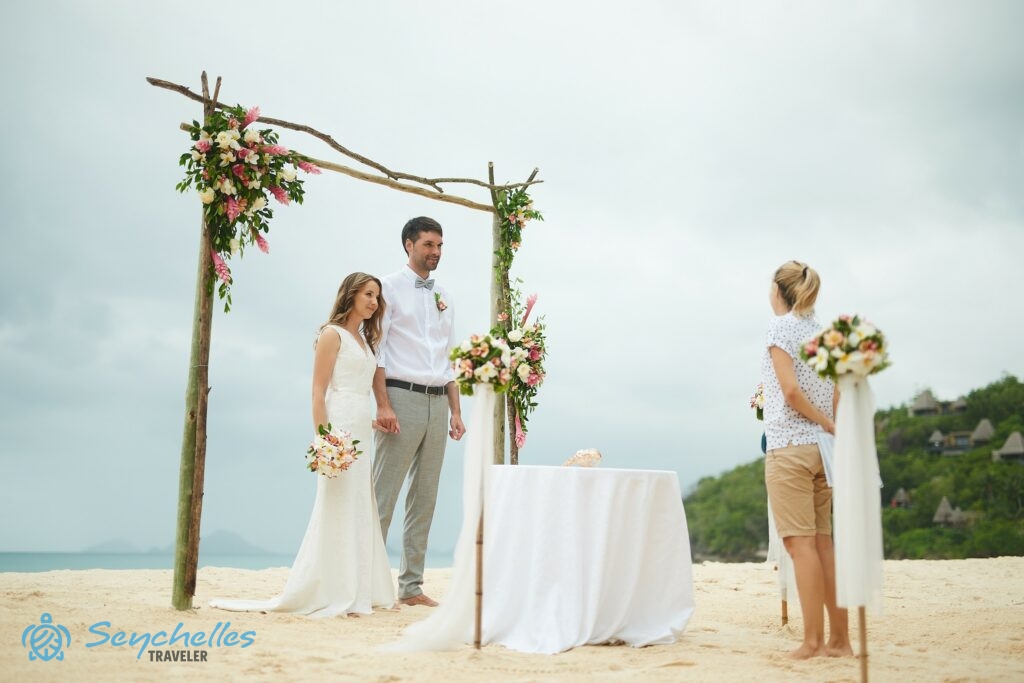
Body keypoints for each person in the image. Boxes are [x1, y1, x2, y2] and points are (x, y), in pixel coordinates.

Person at [209, 273, 396, 618]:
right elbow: (318, 391)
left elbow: (359, 388)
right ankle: (335, 589)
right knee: (336, 504)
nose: (373, 301)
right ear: (351, 295)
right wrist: (325, 441)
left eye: (377, 296)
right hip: (338, 429)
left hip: (360, 426)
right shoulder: (332, 334)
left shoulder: (366, 340)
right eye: (368, 294)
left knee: (359, 504)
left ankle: (360, 587)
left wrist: (370, 419)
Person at [760, 260, 852, 659]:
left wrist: (824, 424)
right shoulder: (825, 333)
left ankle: (812, 641)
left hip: (791, 449)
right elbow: (835, 393)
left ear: (779, 291)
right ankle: (840, 641)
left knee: (800, 547)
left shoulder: (779, 328)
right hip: (822, 453)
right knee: (823, 545)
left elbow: (792, 393)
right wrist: (831, 427)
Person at [373, 216, 466, 607]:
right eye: (429, 244)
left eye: (440, 245)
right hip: (400, 397)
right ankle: (366, 583)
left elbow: (448, 357)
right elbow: (377, 351)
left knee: (425, 497)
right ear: (409, 244)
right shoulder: (387, 288)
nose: (436, 252)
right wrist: (382, 403)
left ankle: (411, 587)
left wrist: (456, 411)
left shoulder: (443, 293)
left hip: (437, 400)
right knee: (383, 495)